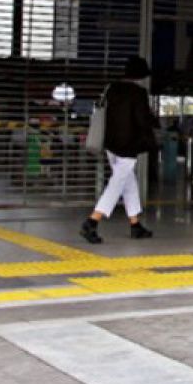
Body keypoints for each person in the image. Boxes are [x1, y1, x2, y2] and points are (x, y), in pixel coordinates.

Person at [80, 55, 158, 243]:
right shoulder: (138, 93)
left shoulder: (111, 88)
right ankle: (92, 221)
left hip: (111, 144)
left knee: (127, 181)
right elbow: (142, 121)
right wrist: (151, 138)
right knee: (117, 183)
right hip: (128, 145)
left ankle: (135, 224)